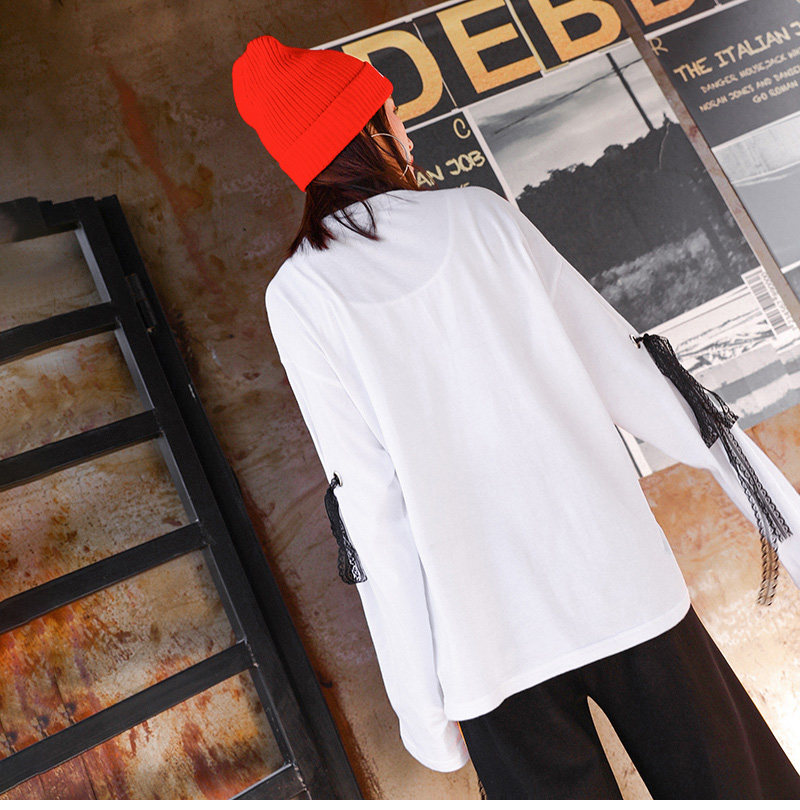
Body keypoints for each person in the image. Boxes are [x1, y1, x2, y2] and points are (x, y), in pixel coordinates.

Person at [231, 35, 800, 799]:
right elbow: (629, 371)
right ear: (361, 130)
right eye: (391, 114)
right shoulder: (479, 217)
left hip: (486, 642)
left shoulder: (301, 296)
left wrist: (421, 706)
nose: (405, 131)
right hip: (617, 580)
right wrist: (777, 513)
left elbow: (370, 507)